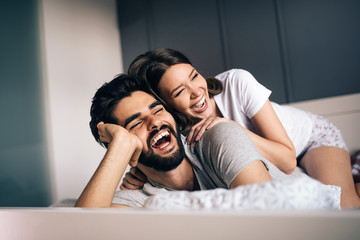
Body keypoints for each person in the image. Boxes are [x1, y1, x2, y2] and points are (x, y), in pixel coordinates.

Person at [125, 48, 360, 208]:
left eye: (194, 76)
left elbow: (288, 161)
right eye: (179, 91)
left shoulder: (237, 83)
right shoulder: (177, 130)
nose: (197, 91)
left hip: (311, 139)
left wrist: (231, 126)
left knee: (346, 207)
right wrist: (142, 172)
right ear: (165, 104)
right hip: (276, 160)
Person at [75, 74, 306, 208]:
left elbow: (268, 213)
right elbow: (80, 231)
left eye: (157, 110)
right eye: (135, 124)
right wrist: (121, 146)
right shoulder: (138, 196)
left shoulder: (217, 137)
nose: (154, 123)